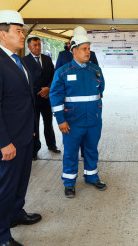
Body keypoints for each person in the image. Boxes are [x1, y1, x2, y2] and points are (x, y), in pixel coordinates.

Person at [0, 10, 41, 246]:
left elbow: (24, 100)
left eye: (22, 30)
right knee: (3, 188)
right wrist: (4, 142)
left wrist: (31, 129)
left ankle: (16, 213)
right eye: (18, 31)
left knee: (21, 181)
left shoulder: (18, 60)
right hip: (7, 141)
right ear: (2, 34)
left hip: (23, 136)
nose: (22, 35)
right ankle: (0, 236)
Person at [50, 34, 106, 198]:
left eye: (89, 48)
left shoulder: (95, 70)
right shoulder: (63, 72)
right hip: (72, 123)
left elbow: (100, 89)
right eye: (84, 49)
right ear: (74, 50)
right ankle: (69, 182)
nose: (88, 52)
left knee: (91, 150)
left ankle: (91, 176)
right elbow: (55, 97)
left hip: (94, 121)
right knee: (70, 153)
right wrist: (60, 120)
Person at [23, 36, 60, 160]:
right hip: (33, 98)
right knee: (34, 125)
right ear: (29, 47)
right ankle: (34, 150)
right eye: (34, 45)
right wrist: (39, 91)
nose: (38, 47)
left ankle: (52, 144)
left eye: (39, 44)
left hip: (47, 97)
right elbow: (24, 81)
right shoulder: (23, 61)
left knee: (48, 123)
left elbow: (54, 76)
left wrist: (48, 89)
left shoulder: (47, 59)